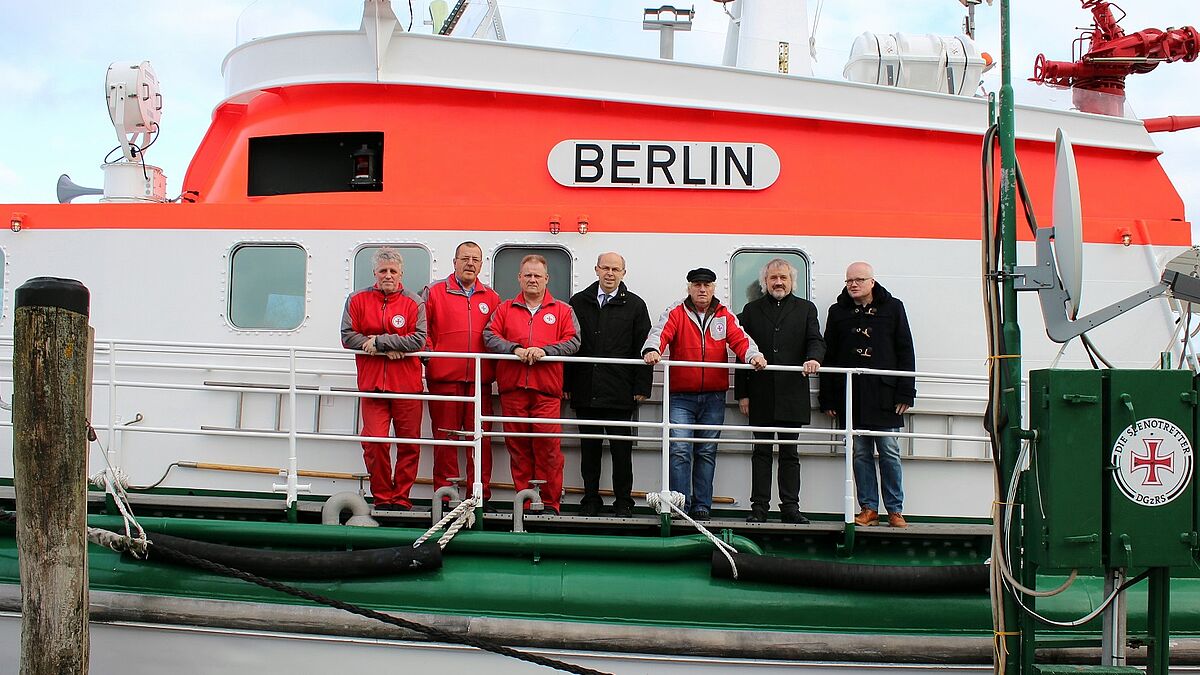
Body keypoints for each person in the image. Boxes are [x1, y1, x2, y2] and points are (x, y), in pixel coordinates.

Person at [643, 268, 766, 520]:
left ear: (713, 288)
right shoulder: (676, 312)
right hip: (680, 396)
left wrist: (753, 355)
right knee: (679, 450)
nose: (702, 289)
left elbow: (740, 340)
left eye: (707, 285)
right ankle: (679, 505)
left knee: (706, 451)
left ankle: (701, 506)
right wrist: (652, 349)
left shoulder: (723, 314)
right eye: (697, 285)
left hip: (714, 396)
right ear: (688, 287)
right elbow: (660, 333)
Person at [818, 262, 916, 528]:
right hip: (852, 395)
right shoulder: (838, 312)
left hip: (885, 393)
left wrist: (906, 391)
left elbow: (905, 349)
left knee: (889, 450)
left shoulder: (893, 308)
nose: (853, 284)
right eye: (849, 280)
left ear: (872, 281)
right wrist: (827, 397)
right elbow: (830, 355)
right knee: (859, 452)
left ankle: (894, 510)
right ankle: (868, 508)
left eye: (859, 279)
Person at [483, 255, 580, 515]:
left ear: (547, 279)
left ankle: (550, 503)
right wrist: (514, 349)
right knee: (518, 448)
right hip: (513, 389)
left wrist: (545, 351)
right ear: (519, 278)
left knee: (549, 449)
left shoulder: (562, 310)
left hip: (546, 391)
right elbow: (490, 336)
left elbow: (573, 342)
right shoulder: (504, 309)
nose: (533, 279)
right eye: (528, 275)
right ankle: (524, 502)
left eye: (537, 275)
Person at [734, 258, 825, 524]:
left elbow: (815, 340)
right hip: (760, 392)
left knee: (789, 454)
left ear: (792, 281)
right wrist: (743, 393)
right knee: (760, 453)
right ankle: (759, 508)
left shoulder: (806, 309)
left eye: (783, 278)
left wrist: (814, 359)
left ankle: (790, 508)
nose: (778, 282)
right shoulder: (751, 311)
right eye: (773, 278)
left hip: (791, 392)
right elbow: (742, 354)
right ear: (765, 281)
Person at [565, 252, 653, 518]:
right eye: (605, 268)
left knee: (621, 451)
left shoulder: (636, 306)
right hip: (585, 388)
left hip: (620, 390)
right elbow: (572, 345)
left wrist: (642, 387)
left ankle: (624, 500)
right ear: (596, 269)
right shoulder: (579, 302)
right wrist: (567, 383)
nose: (610, 273)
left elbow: (644, 346)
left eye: (616, 269)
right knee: (589, 452)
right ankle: (590, 499)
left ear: (624, 273)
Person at [340, 247, 427, 510]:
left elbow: (419, 339)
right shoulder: (356, 300)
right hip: (373, 385)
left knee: (409, 445)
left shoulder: (414, 302)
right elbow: (347, 336)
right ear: (374, 273)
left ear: (401, 273)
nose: (388, 275)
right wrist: (386, 348)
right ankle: (382, 496)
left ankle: (401, 498)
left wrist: (379, 342)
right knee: (375, 442)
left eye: (393, 271)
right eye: (383, 271)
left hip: (407, 387)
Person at [422, 241, 502, 508]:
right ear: (454, 262)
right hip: (445, 378)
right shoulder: (434, 293)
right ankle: (445, 495)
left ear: (481, 265)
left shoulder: (491, 297)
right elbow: (424, 332)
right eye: (465, 258)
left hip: (480, 380)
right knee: (445, 438)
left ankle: (479, 493)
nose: (470, 263)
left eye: (475, 259)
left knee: (480, 439)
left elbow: (497, 335)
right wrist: (432, 358)